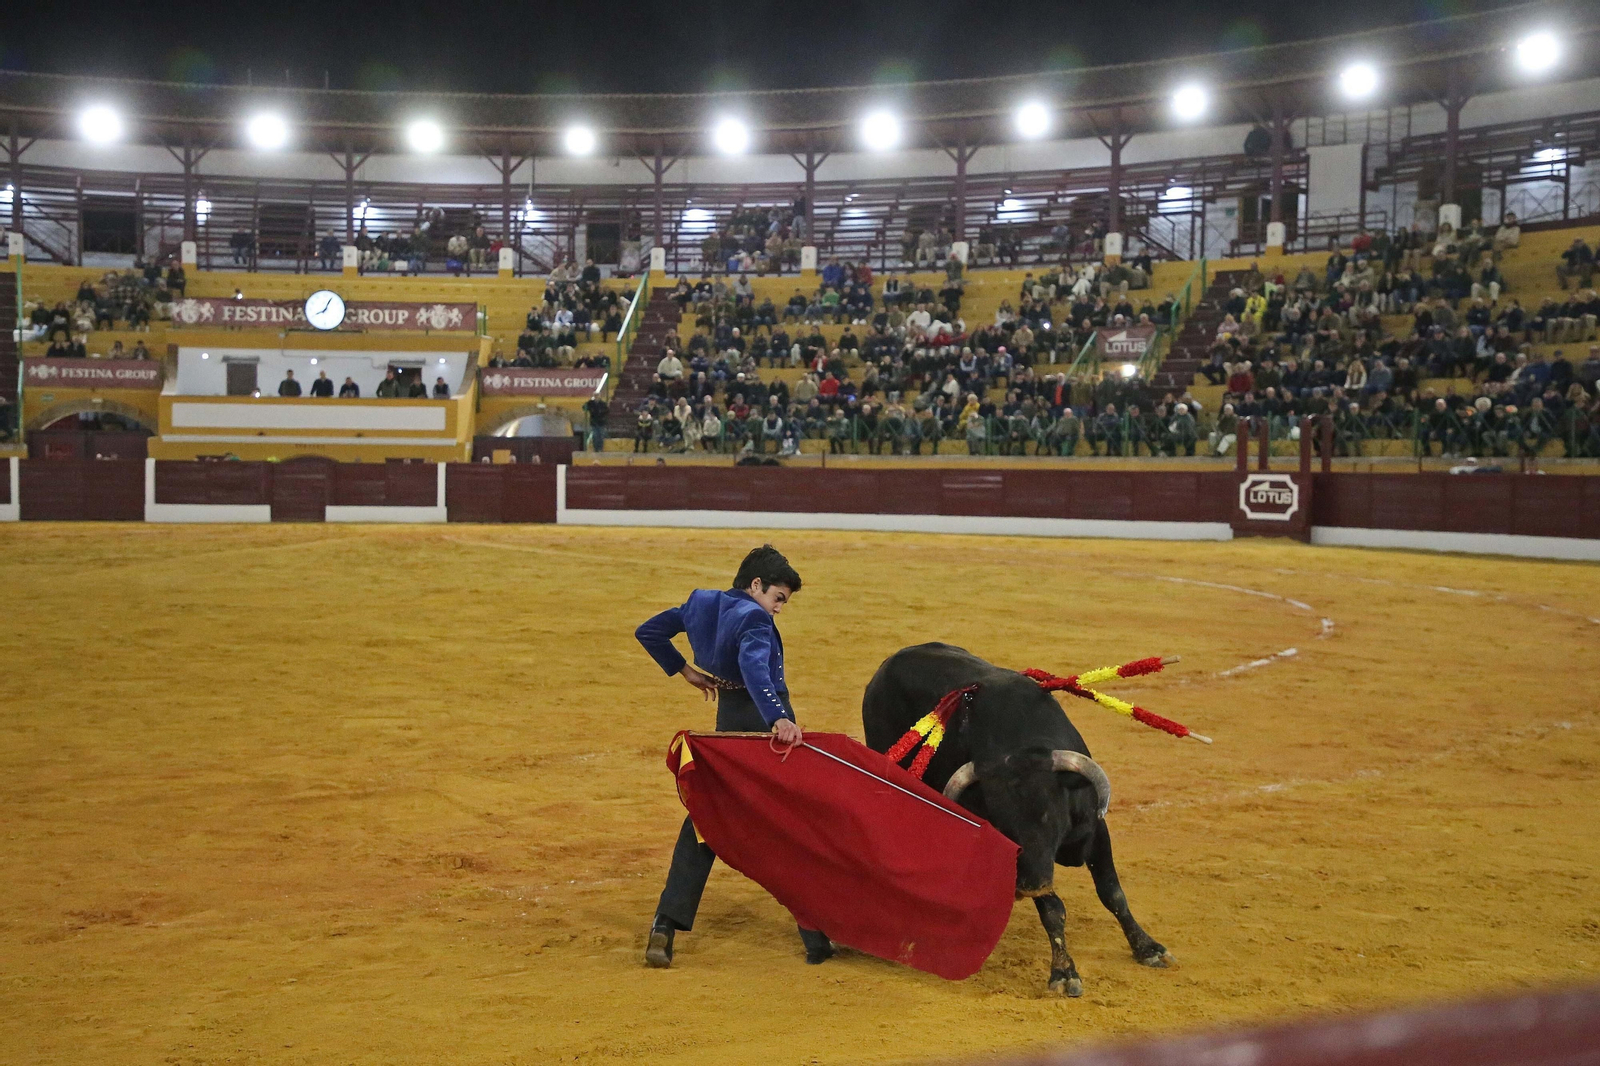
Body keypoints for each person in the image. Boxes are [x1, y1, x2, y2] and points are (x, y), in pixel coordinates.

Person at [634, 546, 833, 969]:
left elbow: (649, 631)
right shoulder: (755, 620)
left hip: (727, 727)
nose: (779, 609)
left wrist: (685, 671)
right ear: (756, 585)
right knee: (789, 824)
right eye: (778, 598)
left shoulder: (701, 603)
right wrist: (778, 718)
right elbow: (756, 668)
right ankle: (814, 934)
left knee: (708, 820)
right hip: (763, 729)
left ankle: (664, 925)